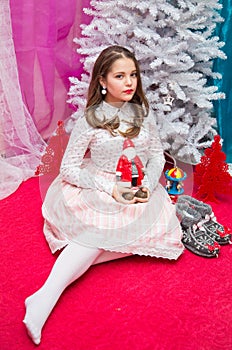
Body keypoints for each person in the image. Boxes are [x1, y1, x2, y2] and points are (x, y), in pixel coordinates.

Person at [23, 45, 184, 345]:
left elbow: (157, 157)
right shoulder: (91, 118)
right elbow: (68, 167)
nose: (129, 83)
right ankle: (44, 298)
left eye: (133, 75)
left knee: (145, 235)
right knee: (102, 230)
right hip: (100, 186)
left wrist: (147, 185)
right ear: (102, 81)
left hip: (135, 187)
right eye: (120, 76)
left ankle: (73, 261)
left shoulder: (143, 114)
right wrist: (108, 188)